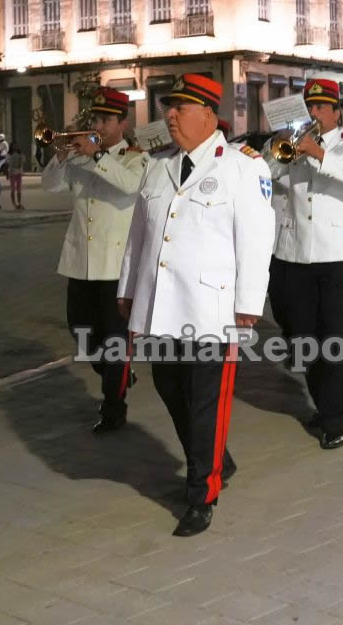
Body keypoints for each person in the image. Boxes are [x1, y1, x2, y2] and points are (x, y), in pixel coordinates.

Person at [118, 73, 274, 536]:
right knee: (171, 389)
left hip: (214, 310)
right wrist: (128, 289)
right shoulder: (157, 165)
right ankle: (211, 457)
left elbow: (256, 241)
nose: (169, 115)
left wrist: (248, 304)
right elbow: (138, 237)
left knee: (207, 402)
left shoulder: (244, 167)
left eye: (179, 108)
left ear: (208, 114)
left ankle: (201, 494)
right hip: (163, 306)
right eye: (168, 108)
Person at [267, 77, 343, 451]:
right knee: (300, 336)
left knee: (335, 339)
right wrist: (276, 150)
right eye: (308, 108)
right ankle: (325, 400)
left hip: (340, 255)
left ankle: (334, 418)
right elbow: (270, 176)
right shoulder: (296, 146)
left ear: (335, 111)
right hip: (296, 252)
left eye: (319, 108)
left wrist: (318, 153)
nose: (312, 114)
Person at [43, 88, 148, 432]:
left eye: (105, 120)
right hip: (80, 262)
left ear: (122, 123)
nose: (98, 126)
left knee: (114, 341)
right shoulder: (81, 156)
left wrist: (97, 156)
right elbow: (50, 186)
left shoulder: (135, 158)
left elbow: (129, 185)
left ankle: (114, 408)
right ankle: (117, 373)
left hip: (115, 267)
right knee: (81, 333)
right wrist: (59, 157)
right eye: (96, 119)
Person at [9, 141, 26, 209]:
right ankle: (14, 204)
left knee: (19, 189)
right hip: (12, 173)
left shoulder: (20, 154)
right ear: (11, 147)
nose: (15, 147)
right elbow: (7, 163)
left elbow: (23, 161)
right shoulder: (9, 154)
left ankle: (19, 203)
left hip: (19, 173)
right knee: (13, 189)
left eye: (16, 146)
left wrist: (21, 167)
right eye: (14, 146)